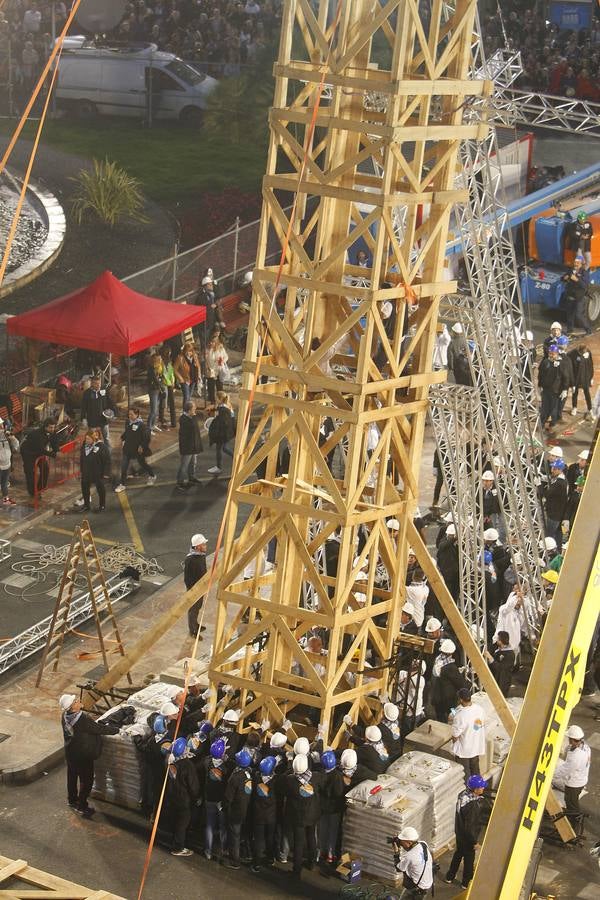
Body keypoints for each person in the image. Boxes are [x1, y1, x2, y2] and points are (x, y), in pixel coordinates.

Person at [59, 693, 119, 818]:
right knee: (86, 781)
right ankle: (82, 806)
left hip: (71, 752)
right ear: (72, 707)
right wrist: (116, 730)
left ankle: (72, 800)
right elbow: (98, 729)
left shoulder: (65, 716)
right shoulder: (82, 719)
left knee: (72, 776)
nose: (79, 700)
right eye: (76, 701)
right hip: (83, 756)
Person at [281, 753, 323, 878]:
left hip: (297, 817)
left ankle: (296, 871)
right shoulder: (315, 777)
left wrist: (289, 762)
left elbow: (283, 780)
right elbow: (323, 775)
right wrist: (317, 762)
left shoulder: (290, 781)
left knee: (298, 843)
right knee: (311, 838)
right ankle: (311, 863)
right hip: (312, 814)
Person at [444, 774, 487, 889]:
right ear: (475, 789)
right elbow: (470, 827)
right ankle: (465, 883)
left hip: (459, 832)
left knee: (458, 854)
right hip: (468, 837)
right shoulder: (472, 806)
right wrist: (474, 842)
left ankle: (449, 876)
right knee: (469, 860)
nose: (483, 789)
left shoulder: (462, 795)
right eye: (481, 787)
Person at [165, 736, 200, 857]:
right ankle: (178, 847)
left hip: (172, 797)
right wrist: (196, 798)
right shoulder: (188, 765)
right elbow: (193, 785)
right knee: (182, 824)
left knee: (176, 821)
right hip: (184, 799)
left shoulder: (171, 761)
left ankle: (174, 841)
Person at [200, 738, 231, 861]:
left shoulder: (206, 762)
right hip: (220, 801)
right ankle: (224, 849)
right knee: (223, 826)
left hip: (208, 798)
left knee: (209, 826)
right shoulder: (226, 767)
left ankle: (208, 851)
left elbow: (209, 757)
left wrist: (219, 748)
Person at [552, 724, 591, 822]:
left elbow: (564, 770)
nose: (568, 741)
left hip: (574, 784)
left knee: (571, 804)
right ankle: (574, 821)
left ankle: (573, 826)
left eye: (569, 739)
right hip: (581, 779)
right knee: (573, 802)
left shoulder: (576, 757)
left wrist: (551, 777)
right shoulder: (585, 747)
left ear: (573, 739)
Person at [224, 748, 254, 869]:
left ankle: (234, 861)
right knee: (243, 835)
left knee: (235, 837)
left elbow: (228, 797)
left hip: (236, 811)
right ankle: (247, 854)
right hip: (246, 809)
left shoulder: (235, 778)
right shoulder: (250, 773)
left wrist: (225, 809)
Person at [115, 407, 156, 492]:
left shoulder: (142, 425)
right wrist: (121, 439)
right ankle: (122, 484)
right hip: (127, 448)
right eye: (129, 414)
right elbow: (127, 432)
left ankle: (152, 475)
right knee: (124, 467)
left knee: (143, 464)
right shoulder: (128, 422)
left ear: (137, 415)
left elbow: (146, 438)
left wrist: (141, 446)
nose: (129, 416)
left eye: (131, 414)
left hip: (137, 450)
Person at [450, 688, 486, 781]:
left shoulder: (460, 715)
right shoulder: (479, 709)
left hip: (464, 749)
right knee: (475, 769)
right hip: (476, 745)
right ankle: (478, 788)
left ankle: (468, 792)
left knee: (465, 773)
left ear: (461, 700)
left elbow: (455, 735)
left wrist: (454, 745)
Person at [251, 755, 279, 872]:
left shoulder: (256, 777)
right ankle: (270, 858)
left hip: (258, 815)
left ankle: (256, 863)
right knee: (270, 838)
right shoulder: (276, 781)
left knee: (258, 840)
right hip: (271, 816)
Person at [19, 417, 59, 497]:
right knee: (30, 472)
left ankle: (40, 488)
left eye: (54, 427)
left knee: (45, 468)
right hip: (28, 452)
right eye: (51, 427)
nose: (52, 429)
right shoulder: (37, 434)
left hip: (39, 451)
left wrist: (56, 450)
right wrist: (53, 455)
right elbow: (40, 449)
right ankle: (33, 492)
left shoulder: (52, 432)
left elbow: (54, 442)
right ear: (45, 426)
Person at [430, 639, 468, 722]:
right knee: (454, 715)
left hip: (437, 699)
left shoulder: (438, 661)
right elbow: (460, 683)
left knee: (440, 718)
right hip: (449, 701)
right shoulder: (451, 668)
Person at [392, 826, 433, 899]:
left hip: (417, 888)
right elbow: (415, 852)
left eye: (402, 842)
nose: (401, 844)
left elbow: (399, 868)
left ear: (409, 842)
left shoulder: (409, 856)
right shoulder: (423, 844)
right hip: (427, 883)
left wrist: (396, 853)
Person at [80, 374, 115, 460]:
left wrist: (113, 412)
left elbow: (110, 402)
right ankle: (89, 455)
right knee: (90, 439)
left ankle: (108, 455)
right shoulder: (87, 394)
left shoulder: (104, 391)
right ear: (92, 384)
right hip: (92, 420)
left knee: (106, 438)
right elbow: (83, 407)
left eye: (99, 383)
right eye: (96, 383)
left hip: (103, 419)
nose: (98, 385)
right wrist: (83, 418)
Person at [538, 344, 568, 430]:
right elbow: (541, 375)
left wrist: (565, 389)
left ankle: (553, 424)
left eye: (553, 354)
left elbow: (565, 377)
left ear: (557, 354)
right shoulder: (545, 362)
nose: (551, 355)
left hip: (556, 391)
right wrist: (539, 386)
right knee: (544, 409)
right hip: (546, 390)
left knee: (554, 409)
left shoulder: (561, 364)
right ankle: (542, 424)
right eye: (550, 353)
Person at [79, 429, 109, 512]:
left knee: (100, 488)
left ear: (94, 439)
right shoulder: (84, 445)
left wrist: (106, 473)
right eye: (86, 438)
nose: (87, 440)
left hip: (97, 472)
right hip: (86, 471)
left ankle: (102, 505)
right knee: (85, 488)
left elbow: (107, 460)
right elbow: (82, 458)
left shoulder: (102, 447)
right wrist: (81, 470)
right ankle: (86, 505)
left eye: (89, 439)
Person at [541, 458, 568, 551]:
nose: (552, 470)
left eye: (554, 469)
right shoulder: (560, 480)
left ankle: (549, 552)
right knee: (553, 535)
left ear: (560, 470)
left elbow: (547, 494)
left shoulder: (560, 483)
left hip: (554, 515)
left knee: (549, 536)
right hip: (555, 514)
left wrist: (539, 486)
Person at [177, 400, 204, 491]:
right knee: (184, 465)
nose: (195, 410)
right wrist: (193, 417)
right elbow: (188, 432)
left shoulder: (192, 416)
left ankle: (191, 477)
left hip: (193, 445)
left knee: (193, 463)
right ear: (189, 410)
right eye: (193, 409)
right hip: (188, 447)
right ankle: (180, 482)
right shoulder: (184, 419)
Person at [184, 533, 208, 637]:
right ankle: (192, 630)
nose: (205, 546)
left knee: (198, 607)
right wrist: (192, 590)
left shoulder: (201, 556)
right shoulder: (190, 560)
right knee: (193, 609)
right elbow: (187, 578)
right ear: (198, 546)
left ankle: (196, 625)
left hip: (201, 587)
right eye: (203, 544)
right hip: (194, 589)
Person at [208, 393, 236, 475]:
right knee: (224, 448)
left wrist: (213, 428)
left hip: (223, 433)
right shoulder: (227, 406)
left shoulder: (223, 410)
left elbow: (221, 422)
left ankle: (219, 467)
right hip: (228, 432)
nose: (215, 400)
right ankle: (236, 459)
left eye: (216, 398)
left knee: (219, 449)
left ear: (220, 399)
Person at [562, 259, 592, 336]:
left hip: (579, 297)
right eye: (575, 262)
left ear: (581, 264)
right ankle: (570, 330)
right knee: (569, 314)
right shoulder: (570, 270)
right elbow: (563, 278)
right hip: (570, 296)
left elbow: (584, 285)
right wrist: (564, 278)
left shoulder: (584, 273)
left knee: (579, 315)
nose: (576, 264)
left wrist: (576, 280)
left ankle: (588, 329)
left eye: (578, 263)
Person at [484, 631, 515, 697]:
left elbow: (500, 668)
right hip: (494, 678)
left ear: (501, 641)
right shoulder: (497, 647)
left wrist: (490, 658)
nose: (496, 640)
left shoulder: (510, 654)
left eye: (497, 639)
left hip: (502, 681)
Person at [569, 344, 594, 420]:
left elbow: (590, 365)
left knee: (587, 393)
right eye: (582, 352)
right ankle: (574, 407)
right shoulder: (572, 353)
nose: (584, 353)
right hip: (576, 378)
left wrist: (591, 377)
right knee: (575, 393)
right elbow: (570, 367)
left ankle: (590, 409)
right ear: (579, 351)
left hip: (585, 377)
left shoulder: (588, 352)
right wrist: (572, 383)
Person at [146, 353, 167, 434]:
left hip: (158, 389)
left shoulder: (159, 367)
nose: (161, 360)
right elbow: (155, 379)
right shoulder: (151, 368)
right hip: (153, 390)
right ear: (155, 360)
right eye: (159, 359)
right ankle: (149, 427)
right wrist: (161, 387)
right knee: (153, 410)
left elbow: (161, 376)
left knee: (157, 408)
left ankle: (153, 424)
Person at [205, 333, 229, 404]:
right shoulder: (208, 350)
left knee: (220, 387)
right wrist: (207, 367)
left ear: (216, 343)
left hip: (219, 370)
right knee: (211, 388)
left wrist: (222, 361)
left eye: (213, 342)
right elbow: (206, 360)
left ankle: (222, 402)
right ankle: (212, 402)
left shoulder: (221, 349)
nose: (211, 343)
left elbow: (226, 357)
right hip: (211, 371)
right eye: (210, 342)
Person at [0, 418, 19, 505]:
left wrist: (13, 438)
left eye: (2, 425)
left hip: (7, 464)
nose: (2, 428)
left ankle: (5, 499)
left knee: (4, 483)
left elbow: (16, 446)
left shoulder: (7, 436)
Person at [159, 347, 177, 429]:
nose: (170, 353)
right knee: (163, 403)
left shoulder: (169, 362)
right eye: (168, 352)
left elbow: (171, 372)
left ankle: (173, 422)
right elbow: (161, 373)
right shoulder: (160, 362)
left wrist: (173, 381)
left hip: (170, 384)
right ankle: (161, 419)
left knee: (172, 403)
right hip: (164, 384)